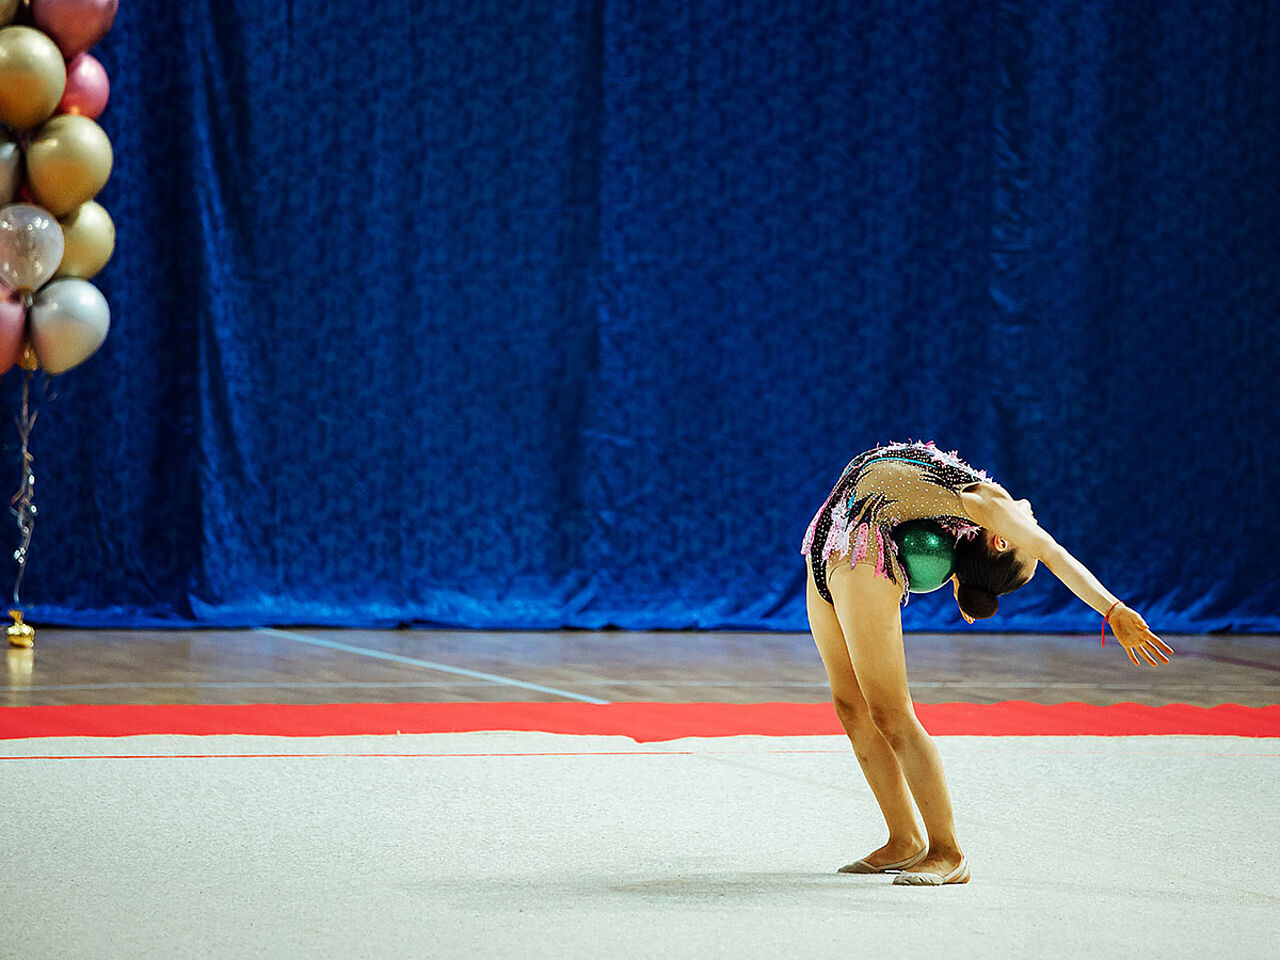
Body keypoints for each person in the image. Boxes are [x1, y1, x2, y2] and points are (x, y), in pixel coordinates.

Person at [800, 441, 1173, 886]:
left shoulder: (993, 507)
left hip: (864, 559)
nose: (1032, 520)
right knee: (850, 707)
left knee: (890, 713)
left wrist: (1112, 609)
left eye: (1026, 541)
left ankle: (947, 852)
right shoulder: (963, 502)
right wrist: (962, 580)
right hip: (828, 549)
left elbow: (1055, 554)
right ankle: (903, 839)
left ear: (1001, 540)